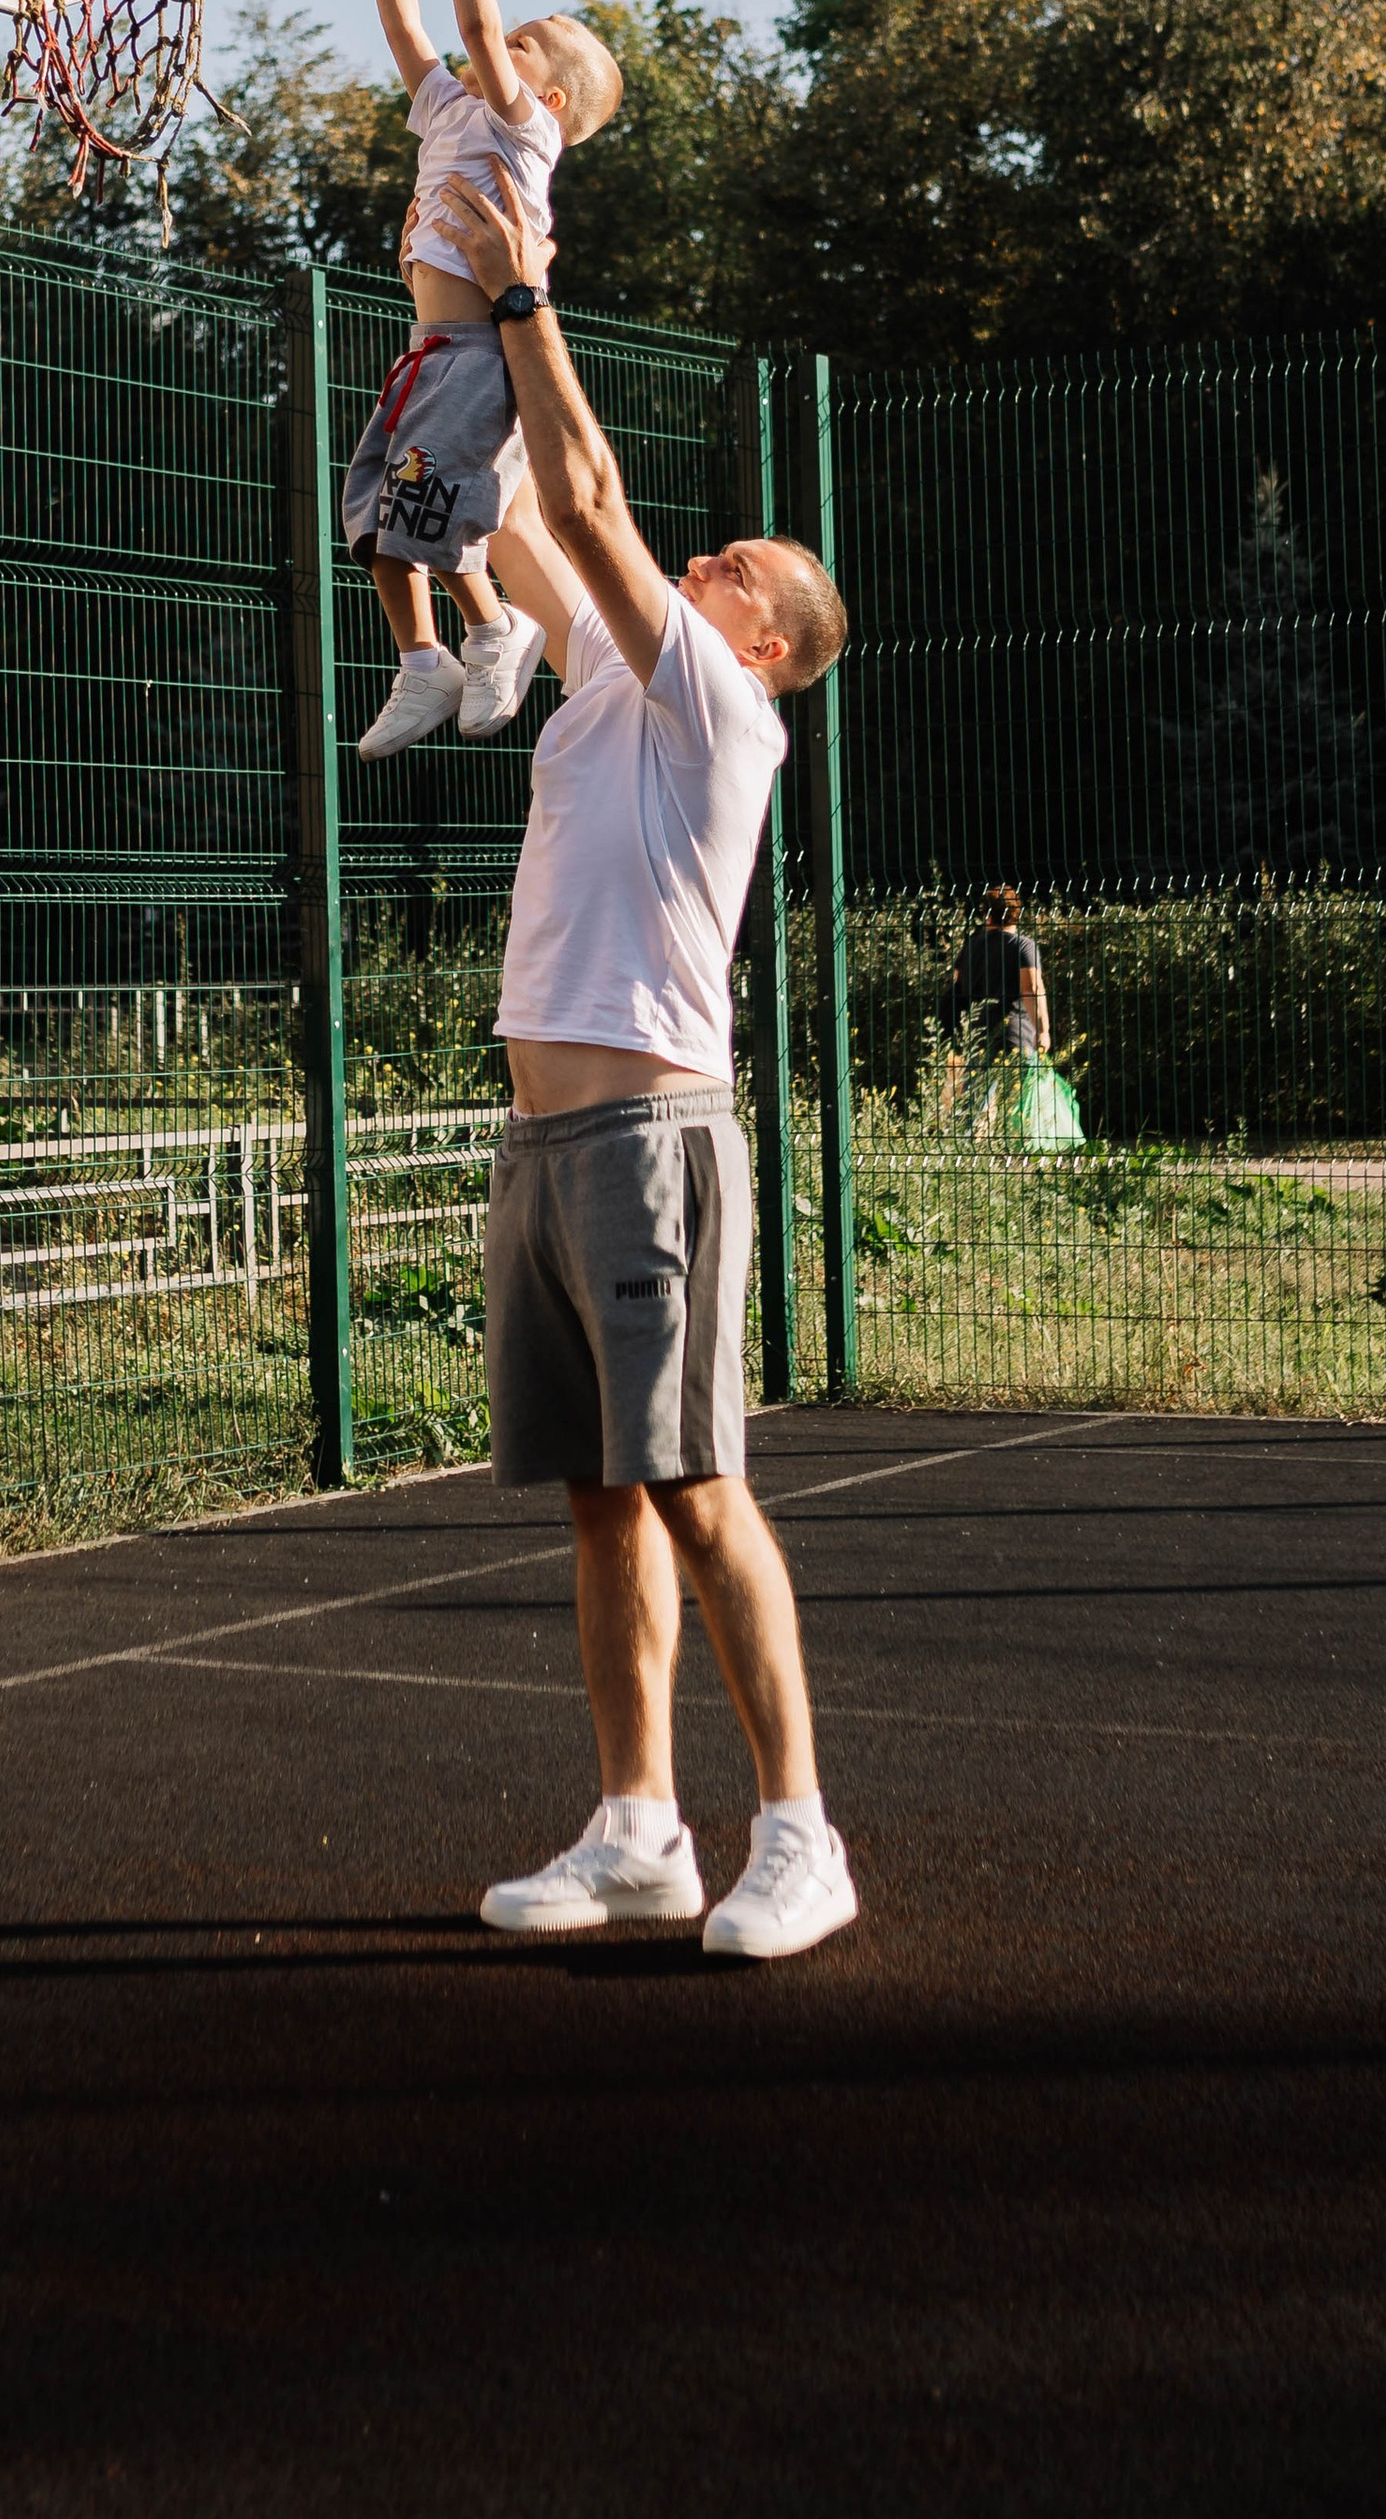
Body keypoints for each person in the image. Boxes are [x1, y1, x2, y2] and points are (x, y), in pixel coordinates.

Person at [434, 155, 860, 1962]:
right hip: (542, 1146)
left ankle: (800, 1836)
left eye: (733, 569)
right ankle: (637, 1830)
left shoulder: (720, 703)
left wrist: (532, 298)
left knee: (696, 1487)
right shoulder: (609, 678)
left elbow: (590, 491)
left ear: (764, 636)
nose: (704, 560)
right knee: (601, 1500)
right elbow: (517, 496)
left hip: (650, 1138)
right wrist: (453, 265)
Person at [332, 0, 622, 758]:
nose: (500, 42)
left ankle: (496, 628)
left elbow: (471, 20)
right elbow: (405, 25)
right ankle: (425, 661)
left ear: (550, 97)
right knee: (373, 515)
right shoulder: (450, 109)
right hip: (425, 348)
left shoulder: (523, 129)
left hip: (475, 355)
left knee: (437, 508)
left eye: (525, 41)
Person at [939, 884, 1050, 1100]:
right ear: (1016, 915)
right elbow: (1031, 989)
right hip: (1014, 1036)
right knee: (1019, 1105)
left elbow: (957, 982)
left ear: (986, 916)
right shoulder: (1022, 946)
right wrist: (1043, 1030)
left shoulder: (971, 947)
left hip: (977, 1035)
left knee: (978, 1104)